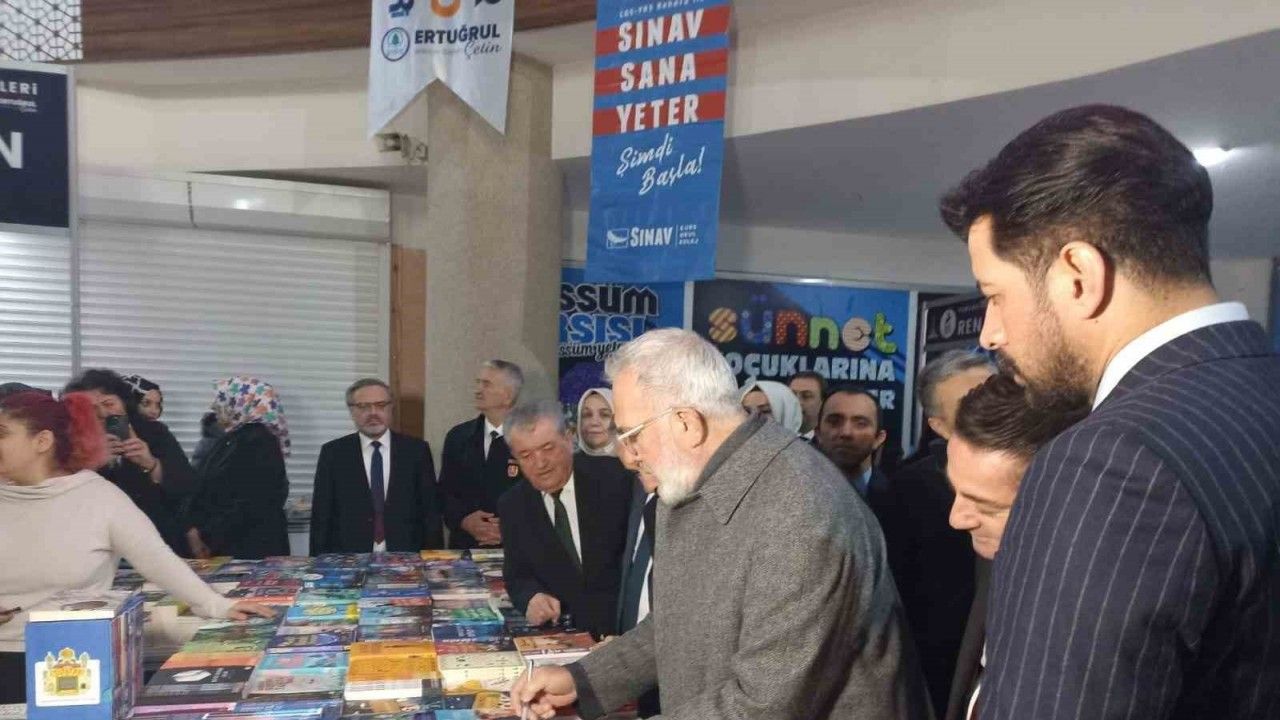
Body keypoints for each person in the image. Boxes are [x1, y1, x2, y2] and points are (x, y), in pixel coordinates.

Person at [940, 104, 1280, 718]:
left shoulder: (1110, 463)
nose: (989, 333)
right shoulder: (1259, 394)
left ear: (1078, 275)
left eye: (995, 295)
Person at [512, 329, 930, 720]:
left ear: (686, 423)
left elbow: (764, 704)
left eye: (631, 435)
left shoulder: (804, 513)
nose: (626, 456)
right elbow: (673, 623)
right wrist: (582, 681)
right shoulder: (685, 485)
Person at [0, 391, 274, 704]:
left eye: (2, 433)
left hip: (74, 662)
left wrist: (216, 605)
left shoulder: (98, 498)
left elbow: (157, 559)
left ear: (42, 441)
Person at [942, 374, 1087, 720]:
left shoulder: (1093, 620)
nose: (956, 519)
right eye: (955, 490)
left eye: (987, 506)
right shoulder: (990, 559)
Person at [889, 350, 994, 717]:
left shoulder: (1050, 473)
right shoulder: (908, 491)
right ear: (939, 426)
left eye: (995, 392)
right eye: (970, 403)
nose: (988, 409)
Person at [498, 400, 632, 638]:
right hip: (567, 637)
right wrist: (531, 597)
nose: (540, 463)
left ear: (569, 438)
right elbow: (517, 575)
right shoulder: (513, 505)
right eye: (526, 455)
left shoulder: (619, 480)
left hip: (629, 633)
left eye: (548, 448)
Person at [64, 368, 196, 556]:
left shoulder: (154, 432)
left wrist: (152, 464)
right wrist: (94, 462)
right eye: (91, 408)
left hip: (158, 539)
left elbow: (187, 485)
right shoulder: (71, 440)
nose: (102, 413)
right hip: (97, 544)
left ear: (125, 403)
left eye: (109, 403)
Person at [310, 378, 443, 555]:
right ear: (351, 411)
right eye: (363, 407)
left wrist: (435, 560)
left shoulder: (416, 451)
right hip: (348, 557)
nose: (373, 413)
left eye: (381, 405)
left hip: (406, 555)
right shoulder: (333, 453)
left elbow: (430, 512)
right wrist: (317, 562)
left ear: (391, 408)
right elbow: (321, 514)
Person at [185, 376, 291, 560]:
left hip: (250, 550)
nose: (214, 406)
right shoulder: (234, 437)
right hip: (232, 545)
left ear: (243, 403)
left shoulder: (258, 442)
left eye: (222, 399)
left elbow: (250, 502)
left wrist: (206, 534)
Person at [439, 359, 525, 549]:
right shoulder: (458, 437)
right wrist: (464, 520)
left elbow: (543, 498)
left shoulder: (532, 438)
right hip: (465, 548)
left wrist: (509, 528)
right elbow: (445, 493)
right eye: (477, 383)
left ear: (508, 396)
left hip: (516, 550)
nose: (478, 390)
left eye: (486, 384)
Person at [615, 434, 662, 717]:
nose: (630, 456)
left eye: (636, 435)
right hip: (640, 660)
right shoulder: (641, 487)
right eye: (623, 436)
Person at [737, 378, 803, 434]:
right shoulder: (734, 444)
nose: (752, 418)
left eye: (764, 411)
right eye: (747, 412)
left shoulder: (802, 445)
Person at [576, 388, 617, 456]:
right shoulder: (565, 460)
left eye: (605, 415)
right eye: (587, 414)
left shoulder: (632, 461)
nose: (594, 422)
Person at [786, 371, 826, 442]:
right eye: (791, 395)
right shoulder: (772, 438)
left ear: (823, 402)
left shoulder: (830, 442)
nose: (797, 402)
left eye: (806, 396)